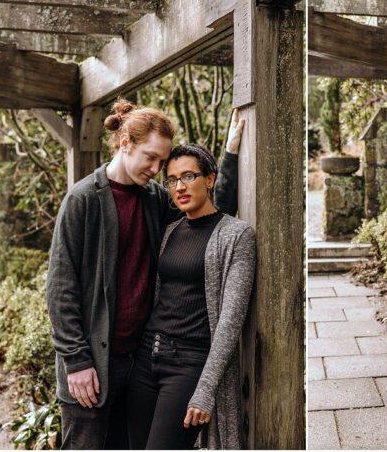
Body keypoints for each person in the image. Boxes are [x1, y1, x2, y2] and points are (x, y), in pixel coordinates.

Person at [46, 99, 242, 449]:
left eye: (161, 161)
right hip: (90, 367)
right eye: (150, 157)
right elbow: (61, 288)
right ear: (125, 144)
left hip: (137, 364)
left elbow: (211, 212)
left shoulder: (154, 199)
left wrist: (230, 153)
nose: (156, 168)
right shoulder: (82, 200)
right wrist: (76, 362)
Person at [125, 143, 254, 450]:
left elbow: (230, 321)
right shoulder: (170, 231)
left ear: (210, 179)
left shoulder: (236, 236)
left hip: (189, 365)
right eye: (172, 179)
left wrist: (206, 388)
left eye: (188, 176)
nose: (179, 187)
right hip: (146, 360)